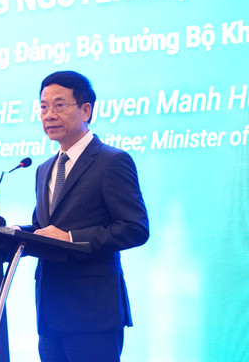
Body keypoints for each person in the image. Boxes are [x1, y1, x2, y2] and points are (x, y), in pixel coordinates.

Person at [20, 70, 149, 362]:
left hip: (93, 315)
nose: (49, 114)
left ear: (86, 110)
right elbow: (44, 229)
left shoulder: (112, 161)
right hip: (50, 313)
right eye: (43, 107)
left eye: (59, 105)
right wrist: (12, 234)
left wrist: (71, 238)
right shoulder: (44, 169)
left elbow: (135, 228)